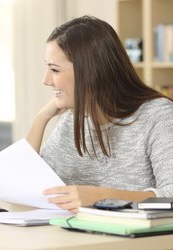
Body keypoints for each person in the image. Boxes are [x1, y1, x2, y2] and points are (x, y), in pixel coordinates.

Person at [27, 15, 173, 213]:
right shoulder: (73, 119)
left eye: (54, 70)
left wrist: (104, 197)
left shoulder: (158, 116)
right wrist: (40, 119)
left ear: (89, 71)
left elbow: (171, 198)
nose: (46, 80)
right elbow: (28, 185)